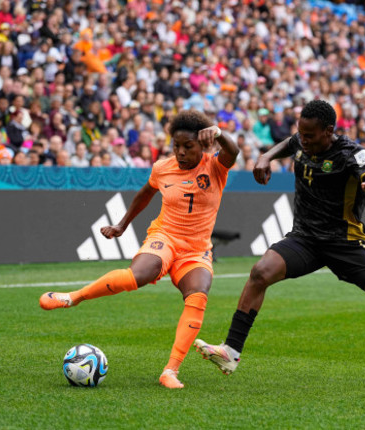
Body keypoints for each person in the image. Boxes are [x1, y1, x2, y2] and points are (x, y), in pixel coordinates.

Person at [194, 100, 365, 377]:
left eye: (310, 136)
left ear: (329, 131)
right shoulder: (303, 139)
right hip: (305, 239)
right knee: (260, 272)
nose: (304, 140)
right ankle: (231, 352)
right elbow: (290, 143)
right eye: (302, 133)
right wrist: (266, 157)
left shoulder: (350, 153)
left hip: (345, 241)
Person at [39, 110, 239, 389]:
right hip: (165, 236)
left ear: (202, 144)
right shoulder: (162, 168)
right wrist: (121, 225)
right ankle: (74, 297)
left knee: (198, 296)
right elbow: (145, 194)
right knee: (139, 275)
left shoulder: (214, 166)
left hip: (196, 249)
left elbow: (234, 150)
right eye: (176, 146)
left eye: (188, 146)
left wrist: (218, 133)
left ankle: (170, 371)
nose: (181, 152)